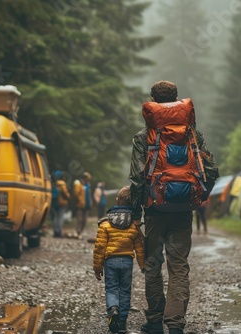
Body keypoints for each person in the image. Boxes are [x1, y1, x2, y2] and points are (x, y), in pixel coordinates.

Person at [128, 80, 219, 334]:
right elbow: (211, 170)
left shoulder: (142, 137)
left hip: (155, 210)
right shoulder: (193, 135)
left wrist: (135, 213)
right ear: (176, 99)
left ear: (152, 102)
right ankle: (176, 323)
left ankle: (155, 320)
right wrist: (200, 197)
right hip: (182, 211)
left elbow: (137, 177)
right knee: (178, 265)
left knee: (153, 264)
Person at [93, 186, 145, 334]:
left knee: (111, 288)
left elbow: (99, 247)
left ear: (117, 201)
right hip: (127, 262)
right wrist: (143, 265)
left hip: (110, 262)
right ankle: (122, 323)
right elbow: (140, 248)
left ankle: (113, 309)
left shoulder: (105, 224)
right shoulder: (134, 226)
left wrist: (97, 267)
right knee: (125, 291)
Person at [51, 170, 70, 238]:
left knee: (56, 217)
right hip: (61, 203)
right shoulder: (62, 184)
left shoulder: (54, 184)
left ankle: (55, 231)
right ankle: (59, 232)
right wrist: (68, 195)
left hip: (55, 203)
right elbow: (65, 193)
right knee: (60, 217)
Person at [73, 172, 92, 236]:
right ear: (84, 178)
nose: (88, 180)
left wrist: (90, 203)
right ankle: (77, 231)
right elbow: (76, 194)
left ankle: (81, 231)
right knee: (79, 220)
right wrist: (79, 201)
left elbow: (89, 195)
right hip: (80, 205)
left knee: (84, 220)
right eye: (87, 179)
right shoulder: (79, 184)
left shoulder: (88, 185)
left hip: (87, 205)